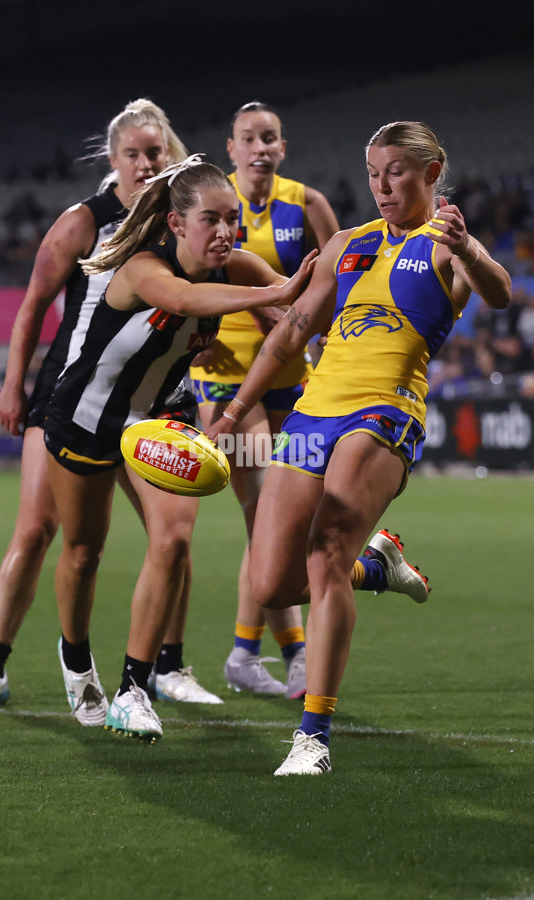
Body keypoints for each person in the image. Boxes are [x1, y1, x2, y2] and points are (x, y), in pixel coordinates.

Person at [208, 121, 512, 774]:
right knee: (271, 583)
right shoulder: (347, 244)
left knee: (323, 553)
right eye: (373, 172)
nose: (381, 185)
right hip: (313, 413)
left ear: (432, 173)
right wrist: (233, 411)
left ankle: (312, 735)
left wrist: (475, 253)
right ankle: (375, 565)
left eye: (396, 171)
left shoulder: (447, 242)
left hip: (384, 413)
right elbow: (290, 334)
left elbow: (499, 291)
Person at [0, 99, 222, 717]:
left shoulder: (181, 223)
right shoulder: (84, 221)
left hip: (156, 401)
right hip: (74, 395)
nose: (147, 163)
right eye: (134, 154)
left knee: (172, 535)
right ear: (113, 159)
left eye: (155, 152)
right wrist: (13, 383)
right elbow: (32, 305)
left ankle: (165, 670)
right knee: (42, 531)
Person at [43, 157, 317, 741]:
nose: (225, 232)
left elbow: (290, 315)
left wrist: (304, 318)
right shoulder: (144, 268)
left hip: (162, 413)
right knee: (85, 550)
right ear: (175, 222)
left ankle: (133, 689)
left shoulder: (236, 264)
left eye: (232, 220)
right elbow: (187, 301)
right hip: (90, 413)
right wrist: (277, 289)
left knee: (172, 539)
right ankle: (74, 658)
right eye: (211, 220)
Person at [191, 101, 426, 700]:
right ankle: (260, 651)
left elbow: (344, 283)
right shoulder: (215, 209)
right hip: (225, 379)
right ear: (233, 147)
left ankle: (273, 654)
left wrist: (329, 337)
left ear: (282, 147)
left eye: (270, 137)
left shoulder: (308, 204)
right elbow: (187, 278)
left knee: (296, 531)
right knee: (259, 516)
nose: (261, 147)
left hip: (298, 382)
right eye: (250, 138)